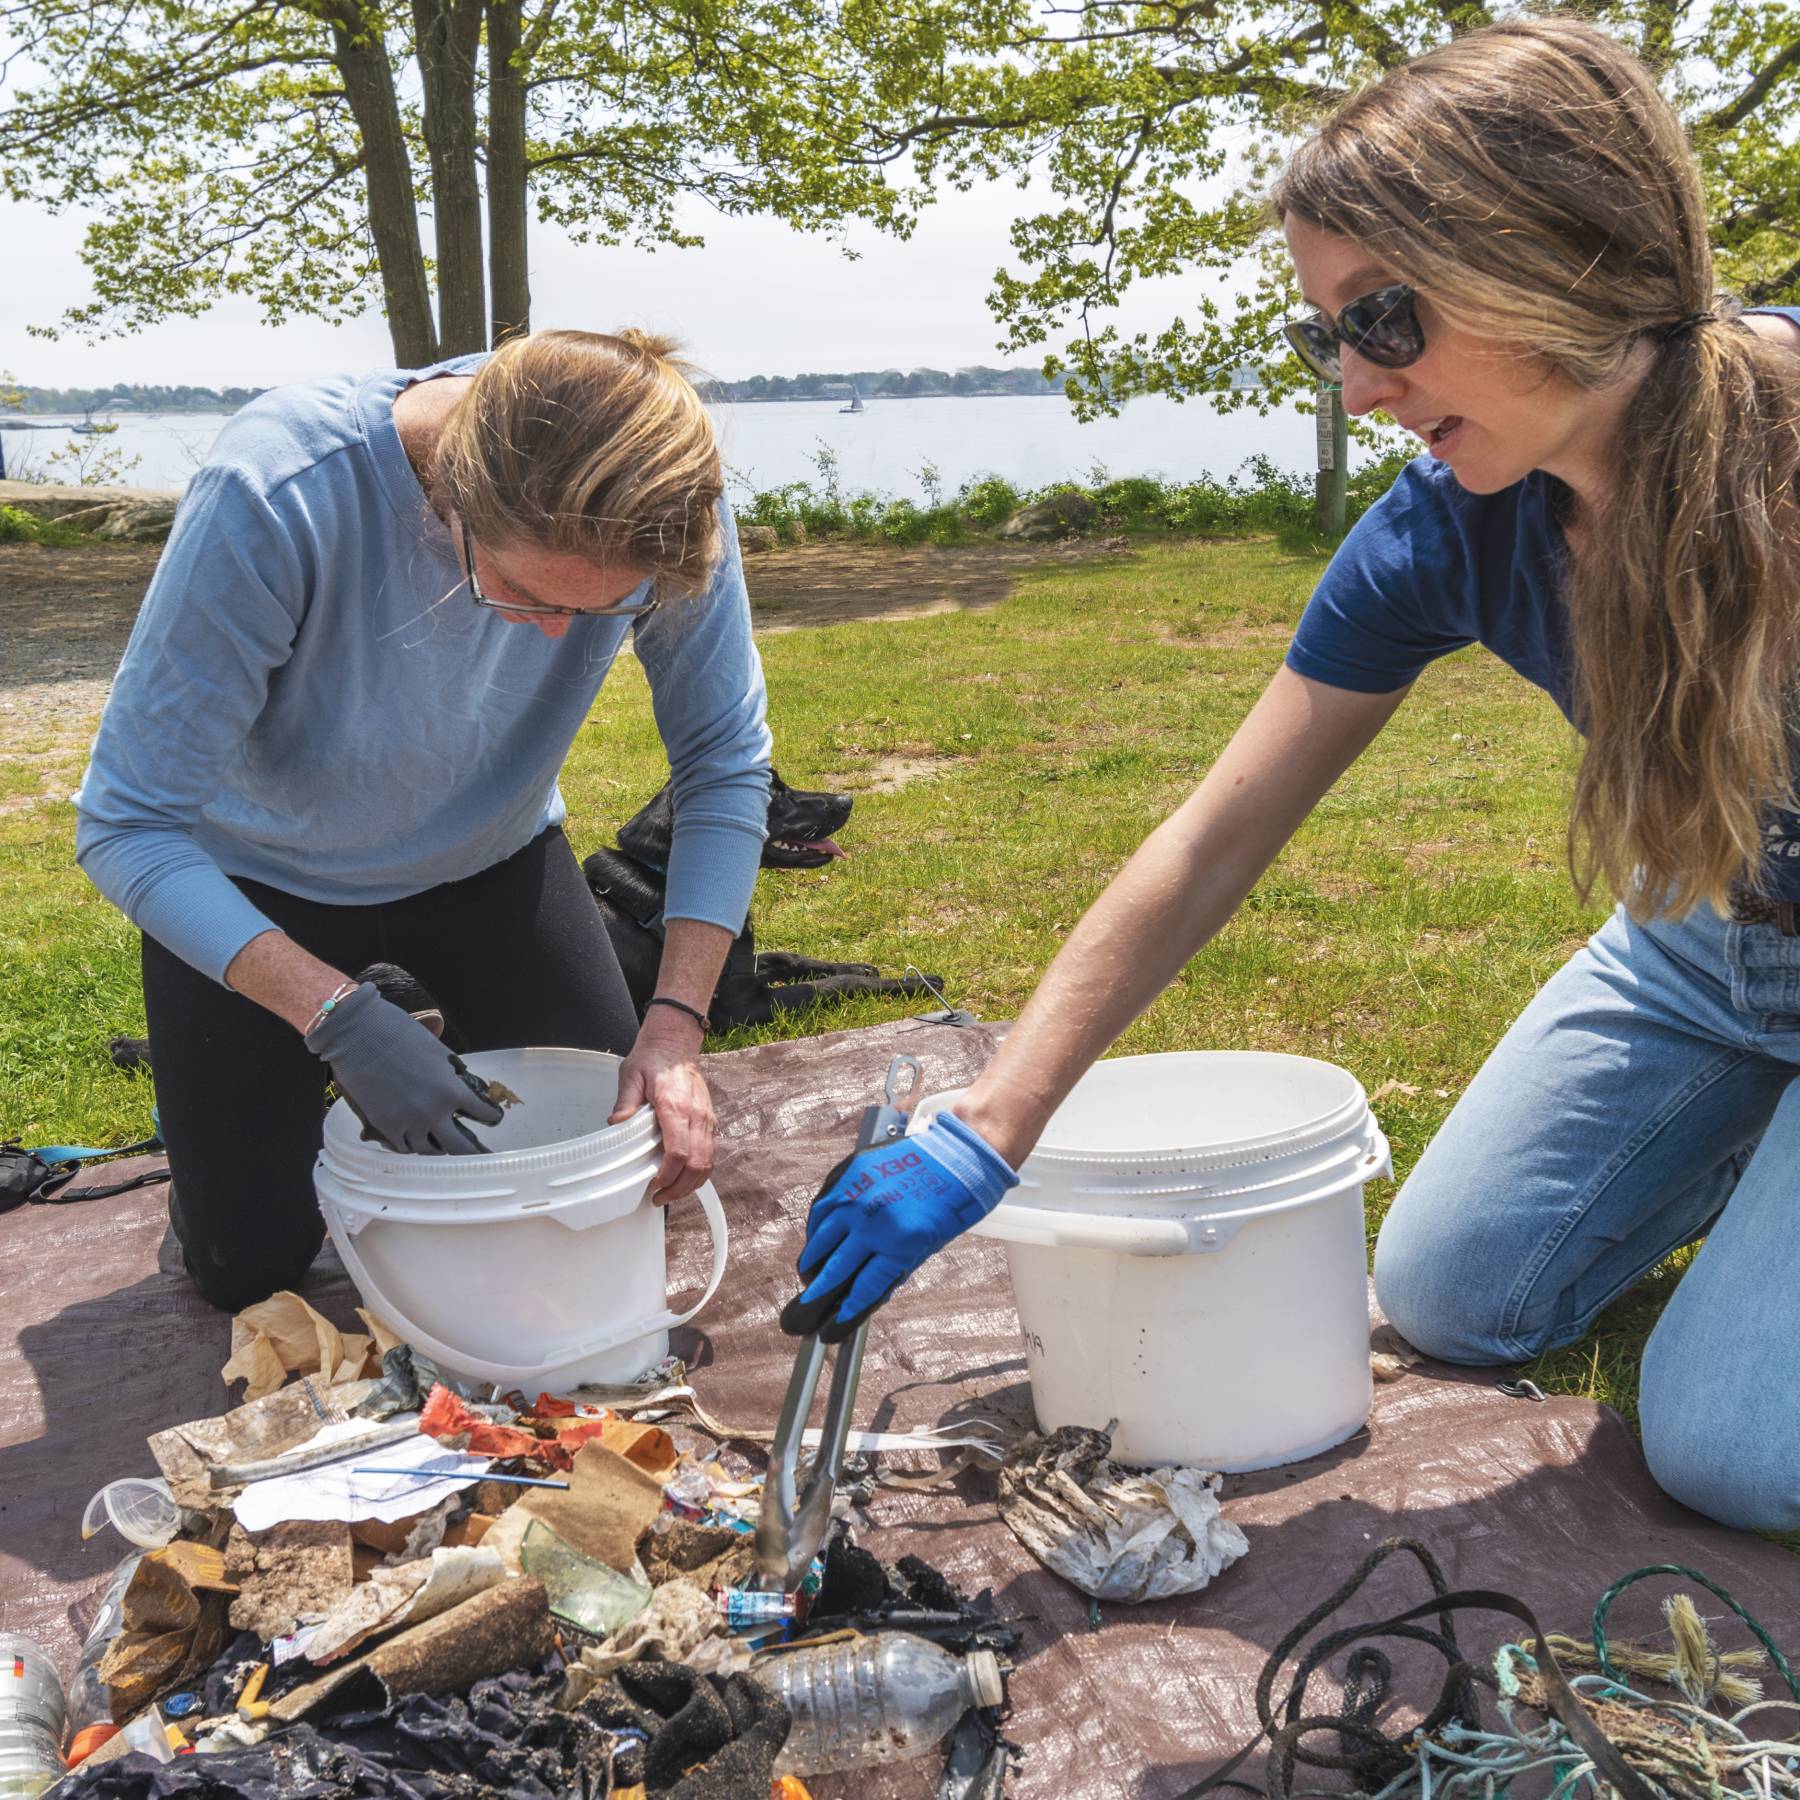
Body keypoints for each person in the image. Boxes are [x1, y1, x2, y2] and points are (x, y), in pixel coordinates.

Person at [785, 17, 1800, 1533]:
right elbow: (1220, 829)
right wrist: (987, 1123)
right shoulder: (1454, 523)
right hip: (1702, 942)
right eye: (1325, 334)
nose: (1355, 387)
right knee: (1451, 1297)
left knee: (1733, 1452)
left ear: (1559, 259)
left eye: (1384, 320)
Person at [76, 329, 772, 1312]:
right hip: (255, 883)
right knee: (251, 1270)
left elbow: (725, 762)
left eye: (602, 611)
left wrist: (676, 1025)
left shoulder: (668, 507)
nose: (552, 637)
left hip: (498, 863)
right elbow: (127, 826)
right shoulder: (278, 489)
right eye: (521, 593)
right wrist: (333, 1013)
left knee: (607, 1179)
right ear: (451, 494)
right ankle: (214, 1197)